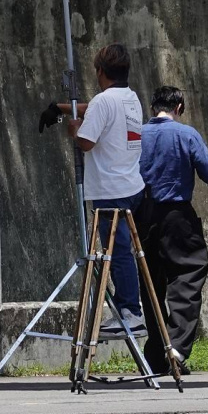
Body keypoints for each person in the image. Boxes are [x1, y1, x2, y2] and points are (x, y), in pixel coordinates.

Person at [59, 43, 147, 338]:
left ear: (100, 72)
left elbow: (86, 141)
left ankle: (130, 312)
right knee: (123, 249)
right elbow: (103, 112)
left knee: (117, 252)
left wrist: (73, 127)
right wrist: (63, 107)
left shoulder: (101, 101)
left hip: (109, 187)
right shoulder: (131, 98)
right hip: (131, 183)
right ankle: (129, 309)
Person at [137, 86, 208, 374]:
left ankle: (157, 355)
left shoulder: (137, 135)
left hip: (142, 216)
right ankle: (177, 345)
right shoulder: (186, 134)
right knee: (189, 272)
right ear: (179, 107)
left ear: (151, 108)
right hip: (177, 216)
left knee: (151, 284)